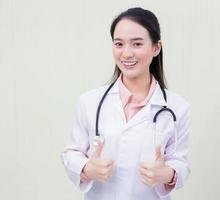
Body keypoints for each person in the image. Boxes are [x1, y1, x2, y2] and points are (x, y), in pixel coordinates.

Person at [61, 7, 191, 200]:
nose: (126, 53)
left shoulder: (176, 107)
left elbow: (180, 162)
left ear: (156, 48)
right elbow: (71, 153)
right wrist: (87, 167)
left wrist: (168, 173)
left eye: (137, 44)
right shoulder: (89, 102)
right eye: (119, 44)